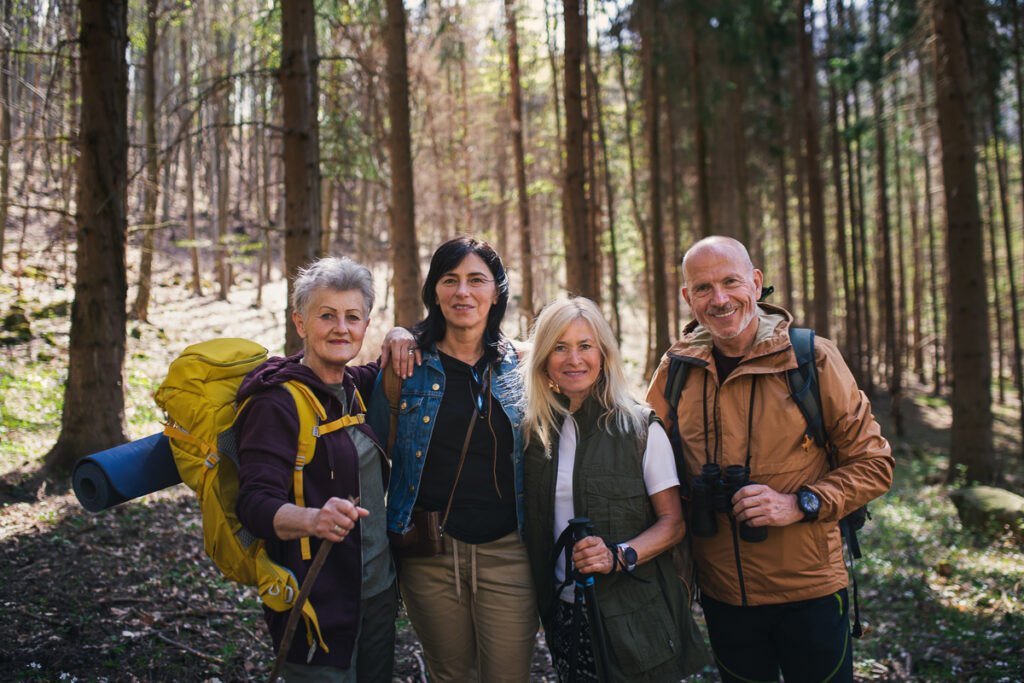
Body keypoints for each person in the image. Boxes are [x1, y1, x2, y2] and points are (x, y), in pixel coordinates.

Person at [645, 235, 894, 683]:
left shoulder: (811, 358)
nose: (719, 299)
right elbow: (646, 467)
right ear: (687, 298)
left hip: (811, 591)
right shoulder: (675, 368)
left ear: (756, 284)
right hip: (722, 594)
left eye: (730, 282)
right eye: (702, 288)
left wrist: (801, 503)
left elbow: (875, 463)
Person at [367, 236, 537, 683]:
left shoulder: (522, 366)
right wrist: (398, 333)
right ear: (434, 291)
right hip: (429, 554)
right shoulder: (405, 366)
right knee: (450, 675)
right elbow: (375, 452)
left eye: (476, 280)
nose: (463, 292)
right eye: (450, 280)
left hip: (510, 553)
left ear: (496, 292)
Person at [520, 297, 708, 682]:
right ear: (544, 359)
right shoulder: (536, 435)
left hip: (636, 617)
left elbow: (673, 524)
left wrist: (617, 556)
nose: (574, 359)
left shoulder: (640, 428)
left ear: (603, 355)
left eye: (585, 346)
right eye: (560, 346)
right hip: (565, 614)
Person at [235, 256, 397, 682]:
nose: (341, 328)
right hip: (317, 599)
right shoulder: (276, 403)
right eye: (326, 316)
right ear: (300, 323)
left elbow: (388, 364)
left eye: (352, 317)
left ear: (365, 325)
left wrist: (400, 334)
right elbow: (253, 503)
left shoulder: (352, 386)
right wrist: (313, 519)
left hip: (377, 590)